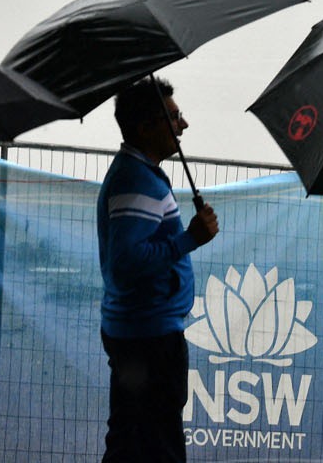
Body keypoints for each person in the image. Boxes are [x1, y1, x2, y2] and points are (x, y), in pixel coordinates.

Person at [97, 77, 220, 463]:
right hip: (149, 340)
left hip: (140, 335)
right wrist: (189, 240)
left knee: (132, 440)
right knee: (157, 446)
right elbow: (125, 264)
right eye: (173, 117)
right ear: (146, 127)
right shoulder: (136, 181)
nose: (183, 125)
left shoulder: (140, 174)